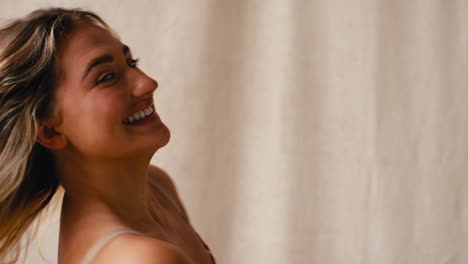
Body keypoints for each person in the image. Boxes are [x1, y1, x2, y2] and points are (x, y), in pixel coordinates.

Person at [0, 7, 216, 264]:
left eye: (131, 63)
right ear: (49, 130)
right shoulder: (141, 258)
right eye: (106, 77)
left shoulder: (157, 187)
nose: (147, 83)